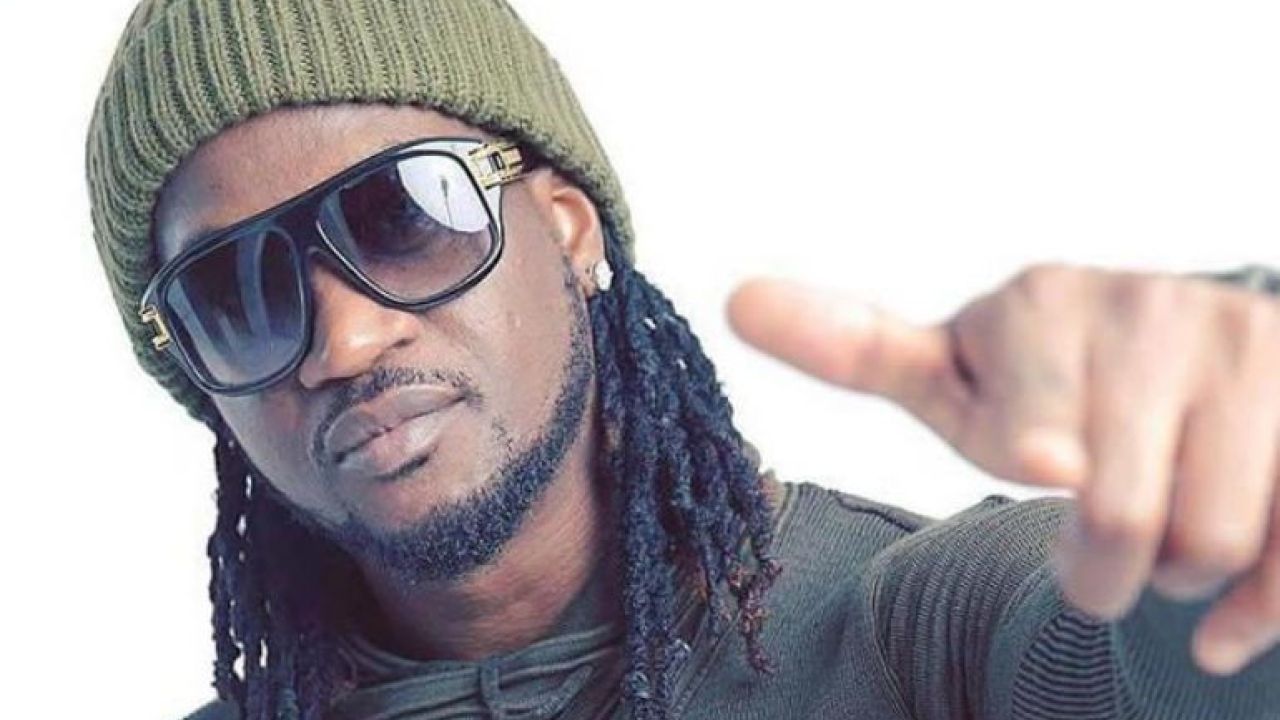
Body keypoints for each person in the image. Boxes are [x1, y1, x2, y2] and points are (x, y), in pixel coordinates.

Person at [85, 2, 1280, 719]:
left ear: (567, 227)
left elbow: (1173, 679)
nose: (347, 340)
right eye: (235, 293)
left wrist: (1228, 502)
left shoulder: (914, 630)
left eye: (404, 213)